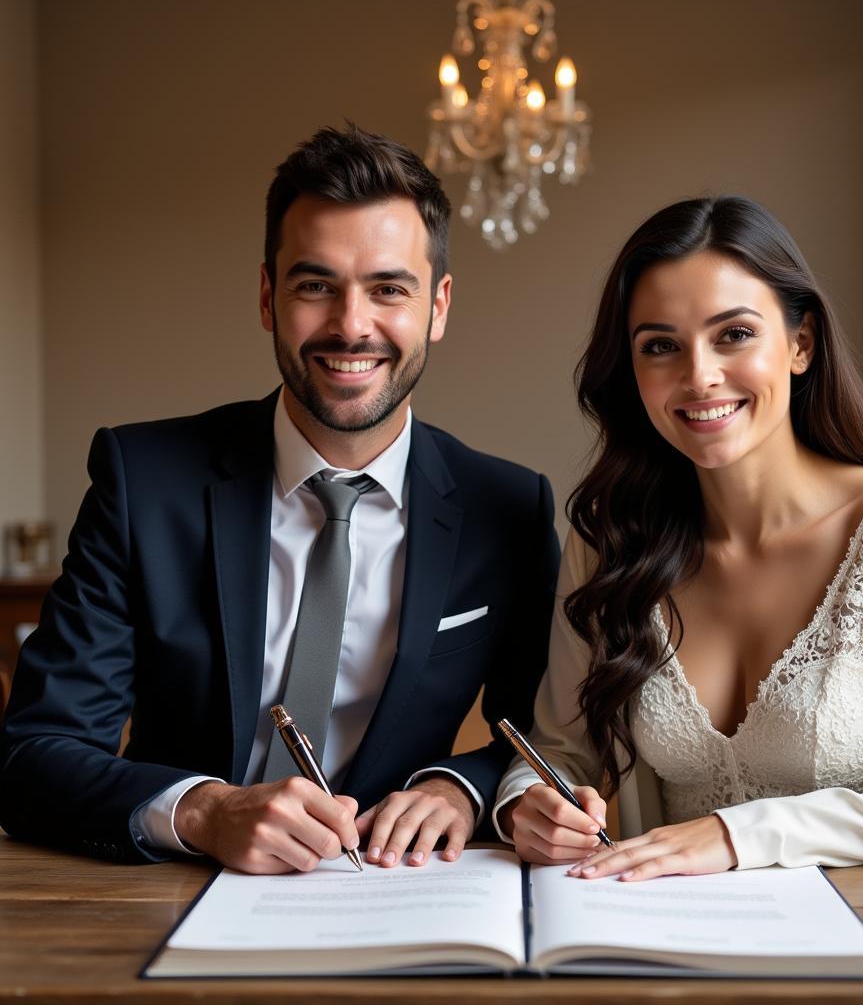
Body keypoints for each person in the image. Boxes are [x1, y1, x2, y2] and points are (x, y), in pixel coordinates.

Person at [0, 125, 560, 874]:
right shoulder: (144, 480)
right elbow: (32, 754)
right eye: (315, 285)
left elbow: (542, 736)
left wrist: (460, 787)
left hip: (398, 891)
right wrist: (202, 810)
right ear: (269, 297)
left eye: (388, 289)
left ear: (439, 307)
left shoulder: (510, 508)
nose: (351, 325)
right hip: (163, 894)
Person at [495, 195, 863, 878]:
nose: (699, 375)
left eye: (734, 334)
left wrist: (740, 835)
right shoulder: (608, 543)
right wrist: (528, 805)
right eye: (660, 346)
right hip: (674, 962)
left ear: (800, 345)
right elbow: (558, 750)